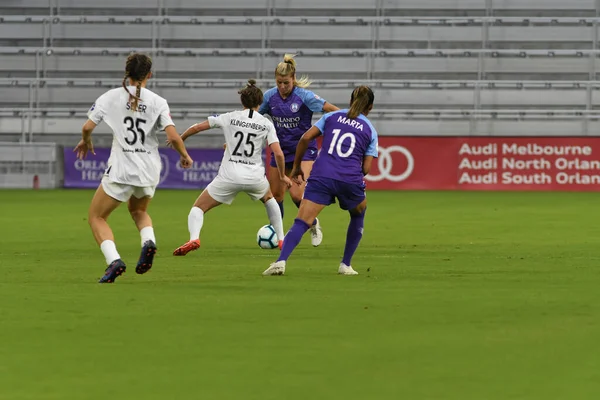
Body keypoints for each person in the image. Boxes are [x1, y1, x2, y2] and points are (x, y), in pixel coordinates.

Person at [74, 53, 193, 283]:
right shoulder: (158, 101)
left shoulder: (110, 97)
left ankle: (114, 260)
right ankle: (149, 242)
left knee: (96, 217)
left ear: (126, 73)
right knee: (139, 211)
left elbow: (87, 127)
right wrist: (184, 155)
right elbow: (173, 137)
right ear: (149, 74)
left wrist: (86, 140)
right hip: (149, 169)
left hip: (122, 167)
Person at [263, 86, 378, 276]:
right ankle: (345, 265)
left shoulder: (332, 117)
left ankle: (280, 262)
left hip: (321, 175)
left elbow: (306, 137)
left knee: (302, 221)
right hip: (349, 179)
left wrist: (298, 166)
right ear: (370, 107)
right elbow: (366, 168)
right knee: (359, 213)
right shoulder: (370, 130)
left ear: (350, 101)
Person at [171, 80, 292, 256]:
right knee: (269, 199)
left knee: (198, 208)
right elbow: (279, 154)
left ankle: (194, 238)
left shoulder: (230, 117)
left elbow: (197, 127)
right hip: (254, 176)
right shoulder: (266, 123)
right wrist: (282, 176)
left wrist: (181, 139)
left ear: (242, 102)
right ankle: (281, 239)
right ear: (260, 103)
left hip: (229, 176)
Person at [259, 54, 339, 247]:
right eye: (279, 83)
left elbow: (332, 109)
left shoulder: (305, 96)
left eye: (286, 82)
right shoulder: (269, 97)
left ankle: (312, 223)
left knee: (296, 194)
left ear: (293, 79)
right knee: (275, 197)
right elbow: (252, 116)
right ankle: (279, 236)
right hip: (280, 151)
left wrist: (348, 122)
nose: (282, 87)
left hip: (303, 151)